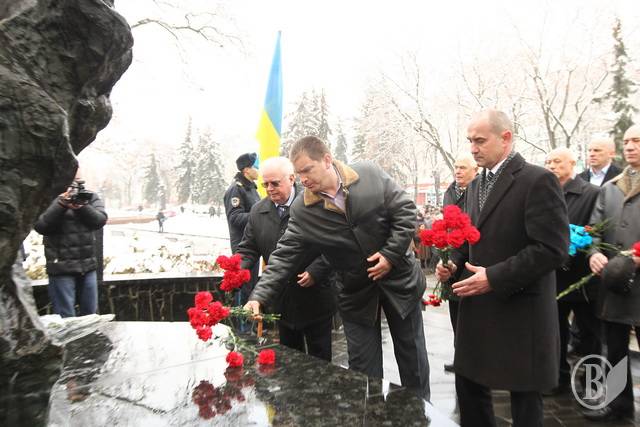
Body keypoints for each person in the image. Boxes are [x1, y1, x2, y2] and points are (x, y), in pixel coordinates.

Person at [245, 136, 430, 399]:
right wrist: (259, 296)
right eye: (299, 173)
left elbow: (406, 212)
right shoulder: (303, 210)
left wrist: (390, 254)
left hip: (400, 282)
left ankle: (420, 415)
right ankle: (372, 415)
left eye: (308, 170)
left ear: (327, 160)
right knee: (363, 373)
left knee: (414, 364)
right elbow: (284, 255)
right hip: (355, 293)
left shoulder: (369, 174)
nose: (303, 179)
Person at [436, 109, 569, 426]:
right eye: (470, 141)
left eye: (480, 141)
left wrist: (494, 277)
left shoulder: (538, 180)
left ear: (506, 137)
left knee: (524, 401)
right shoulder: (475, 186)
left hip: (521, 310)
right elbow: (471, 237)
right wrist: (452, 263)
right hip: (479, 309)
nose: (472, 148)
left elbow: (552, 249)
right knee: (469, 386)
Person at [236, 157, 336, 361]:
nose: (269, 189)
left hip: (316, 296)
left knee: (320, 361)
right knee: (290, 361)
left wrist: (316, 270)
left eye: (275, 183)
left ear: (291, 179)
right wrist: (235, 268)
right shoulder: (258, 211)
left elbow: (334, 244)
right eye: (265, 184)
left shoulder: (315, 203)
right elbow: (248, 248)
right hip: (282, 300)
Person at [581, 124, 640, 422]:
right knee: (615, 349)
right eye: (626, 141)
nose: (629, 146)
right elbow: (594, 229)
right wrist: (594, 253)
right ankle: (619, 405)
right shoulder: (611, 188)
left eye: (637, 141)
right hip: (615, 285)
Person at [543, 147, 600, 395]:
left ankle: (592, 384)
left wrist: (579, 242)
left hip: (583, 277)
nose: (551, 166)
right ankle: (558, 378)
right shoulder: (544, 192)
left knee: (589, 334)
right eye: (548, 162)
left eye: (557, 161)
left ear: (572, 163)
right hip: (554, 275)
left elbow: (597, 230)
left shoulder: (591, 193)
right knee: (555, 330)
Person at [34, 171, 108, 318]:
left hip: (87, 267)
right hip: (61, 268)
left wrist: (82, 207)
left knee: (90, 316)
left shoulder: (89, 197)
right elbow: (41, 226)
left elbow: (100, 220)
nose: (74, 184)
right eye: (72, 180)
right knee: (65, 317)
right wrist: (61, 204)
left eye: (78, 180)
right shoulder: (48, 198)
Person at [441, 154, 478, 373]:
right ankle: (461, 358)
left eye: (463, 167)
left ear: (475, 170)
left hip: (472, 262)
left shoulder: (481, 192)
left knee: (473, 317)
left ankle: (477, 362)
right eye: (456, 167)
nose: (458, 171)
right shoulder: (450, 192)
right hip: (452, 260)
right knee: (456, 313)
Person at [223, 152, 261, 310]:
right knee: (244, 288)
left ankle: (251, 321)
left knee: (252, 287)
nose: (258, 170)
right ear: (246, 169)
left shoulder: (251, 188)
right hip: (242, 248)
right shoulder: (236, 190)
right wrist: (259, 215)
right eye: (256, 166)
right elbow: (235, 217)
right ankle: (242, 323)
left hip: (254, 244)